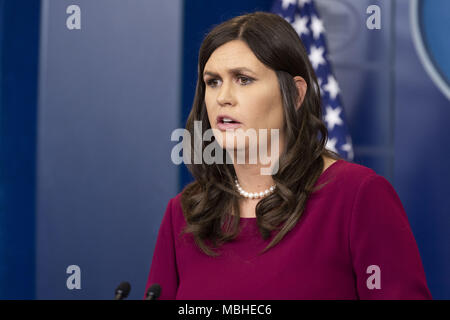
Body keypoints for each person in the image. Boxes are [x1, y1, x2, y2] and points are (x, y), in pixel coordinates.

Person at [144, 12, 432, 300]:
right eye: (213, 82)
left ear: (295, 94)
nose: (223, 97)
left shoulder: (356, 196)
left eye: (243, 79)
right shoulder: (185, 213)